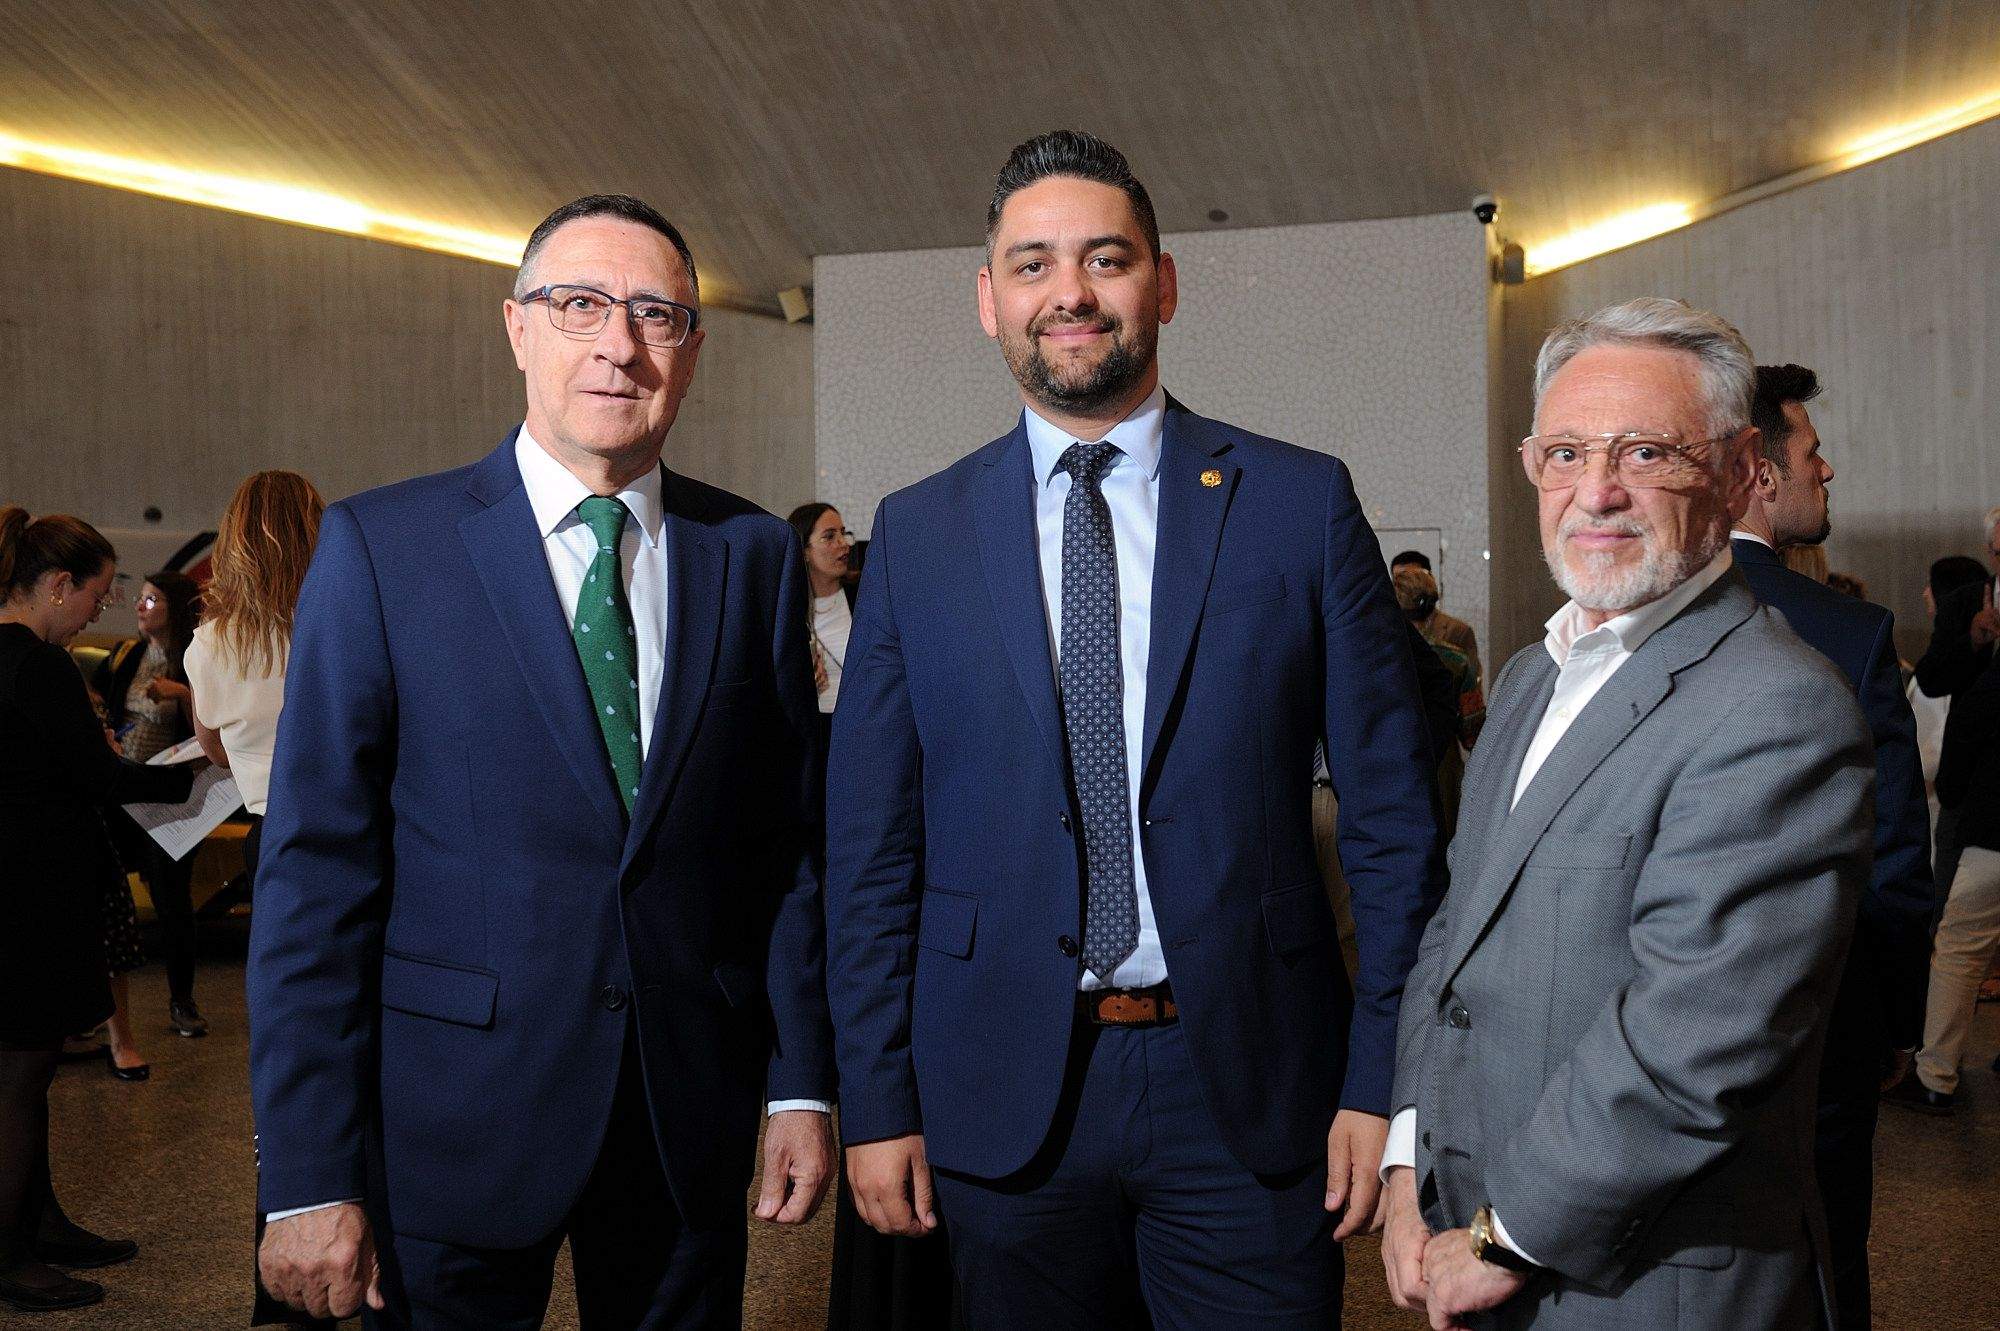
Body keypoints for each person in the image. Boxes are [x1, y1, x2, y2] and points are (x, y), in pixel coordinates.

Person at [825, 130, 1444, 1327]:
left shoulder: (1298, 503)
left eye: (1103, 259)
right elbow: (869, 851)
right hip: (1000, 1086)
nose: (1068, 292)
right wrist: (878, 1094)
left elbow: (1391, 826)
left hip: (1250, 1089)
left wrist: (1388, 1082)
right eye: (1032, 264)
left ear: (1160, 283)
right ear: (987, 300)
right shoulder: (917, 533)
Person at [248, 194, 834, 1328]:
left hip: (684, 1116)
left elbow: (784, 850)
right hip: (451, 1123)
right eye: (579, 305)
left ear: (691, 351)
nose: (619, 344)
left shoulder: (751, 553)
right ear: (517, 327)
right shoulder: (384, 549)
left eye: (655, 314)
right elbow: (315, 880)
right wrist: (309, 1171)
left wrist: (800, 1079)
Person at [1383, 299, 1873, 1329]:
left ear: (1738, 472)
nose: (1595, 491)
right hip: (1473, 1239)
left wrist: (1502, 1235)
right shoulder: (1532, 675)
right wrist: (1403, 1159)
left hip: (1646, 1286)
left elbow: (1693, 1038)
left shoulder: (1778, 706)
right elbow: (1454, 932)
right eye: (1564, 453)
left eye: (1645, 452)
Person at [1729, 362, 1933, 1328]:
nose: (1830, 468)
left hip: (1647, 1031)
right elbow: (1890, 853)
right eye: (1813, 450)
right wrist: (1893, 1020)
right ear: (1763, 473)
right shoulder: (1848, 633)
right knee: (1825, 1264)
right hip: (1824, 1024)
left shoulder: (1627, 621)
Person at [0, 509, 193, 1314]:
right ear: (56, 585)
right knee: (21, 1071)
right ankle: (10, 1255)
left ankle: (40, 1221)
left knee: (30, 1069)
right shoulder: (37, 665)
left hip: (14, 886)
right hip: (29, 895)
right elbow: (99, 777)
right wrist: (194, 779)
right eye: (97, 593)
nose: (98, 611)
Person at [184, 471, 324, 890]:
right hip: (356, 821)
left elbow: (215, 751)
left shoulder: (210, 642)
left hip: (274, 831)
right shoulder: (344, 620)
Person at [97, 570, 209, 1040]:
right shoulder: (129, 654)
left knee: (171, 898)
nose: (140, 607)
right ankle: (100, 1012)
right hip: (123, 788)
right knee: (104, 893)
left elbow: (209, 727)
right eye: (139, 599)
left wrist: (181, 692)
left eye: (151, 600)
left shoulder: (194, 657)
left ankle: (182, 1001)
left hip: (171, 795)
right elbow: (106, 704)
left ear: (174, 607)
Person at [786, 503, 856, 747]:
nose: (843, 544)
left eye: (843, 533)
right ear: (804, 551)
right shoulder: (787, 608)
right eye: (829, 536)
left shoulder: (864, 596)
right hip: (811, 736)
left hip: (860, 726)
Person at [1391, 549, 1482, 685]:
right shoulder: (1386, 634)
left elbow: (1472, 683)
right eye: (1401, 580)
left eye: (1414, 578)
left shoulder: (1459, 631)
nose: (1408, 587)